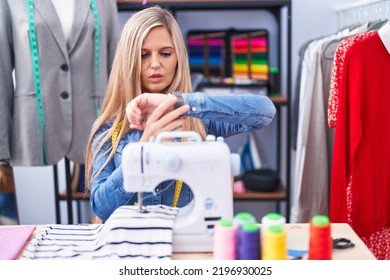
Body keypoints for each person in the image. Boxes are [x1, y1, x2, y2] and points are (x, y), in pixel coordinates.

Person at [84, 6, 277, 222]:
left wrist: (181, 102)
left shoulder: (196, 118)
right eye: (143, 55)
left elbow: (264, 111)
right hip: (131, 247)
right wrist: (142, 150)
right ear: (129, 60)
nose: (155, 64)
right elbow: (101, 208)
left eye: (165, 53)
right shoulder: (108, 128)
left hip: (184, 244)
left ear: (178, 57)